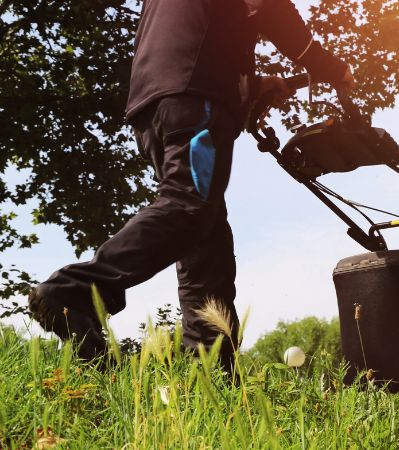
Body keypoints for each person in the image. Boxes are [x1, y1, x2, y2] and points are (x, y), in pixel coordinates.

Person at [27, 0, 354, 368]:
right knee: (190, 206)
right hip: (195, 96)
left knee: (205, 233)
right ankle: (76, 291)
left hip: (155, 102)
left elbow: (201, 31)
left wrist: (251, 84)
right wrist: (330, 67)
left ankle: (211, 365)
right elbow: (274, 12)